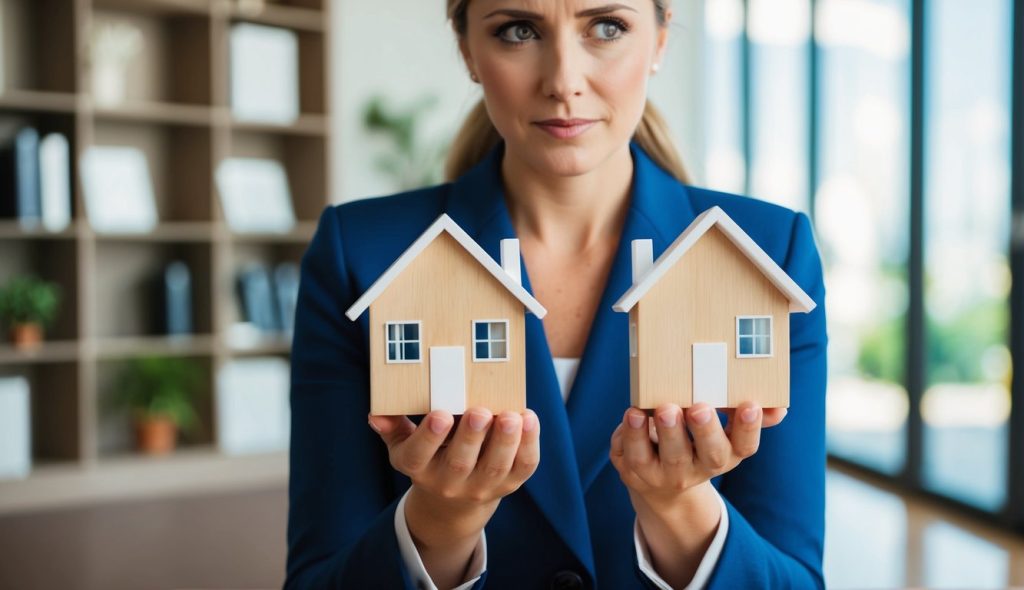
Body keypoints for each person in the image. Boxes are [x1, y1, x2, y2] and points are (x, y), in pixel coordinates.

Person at [285, 0, 828, 588]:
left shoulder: (771, 254)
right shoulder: (358, 255)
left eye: (607, 27)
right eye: (518, 31)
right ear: (467, 48)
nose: (564, 82)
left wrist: (682, 509)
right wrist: (441, 521)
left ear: (661, 39)